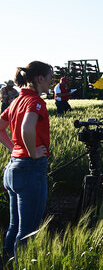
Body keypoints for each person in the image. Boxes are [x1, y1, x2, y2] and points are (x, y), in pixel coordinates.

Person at [0, 61, 53, 261]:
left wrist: (15, 149)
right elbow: (27, 128)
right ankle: (20, 265)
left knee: (14, 226)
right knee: (28, 231)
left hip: (13, 169)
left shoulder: (15, 101)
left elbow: (0, 127)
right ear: (39, 79)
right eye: (50, 77)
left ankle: (7, 261)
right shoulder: (36, 102)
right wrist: (32, 153)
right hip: (30, 169)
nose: (51, 81)